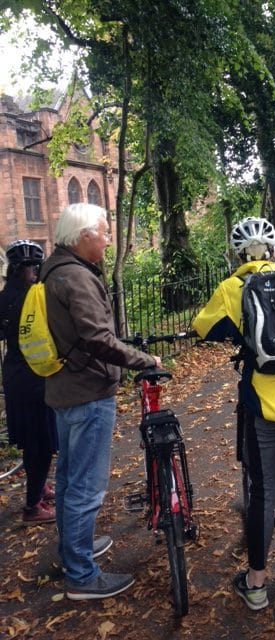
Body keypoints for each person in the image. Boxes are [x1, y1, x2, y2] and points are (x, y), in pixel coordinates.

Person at [193, 217, 275, 611]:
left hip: (265, 401)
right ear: (272, 251)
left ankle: (256, 583)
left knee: (263, 489)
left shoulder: (230, 289)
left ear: (239, 254)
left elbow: (205, 330)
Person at [42, 202, 162, 601]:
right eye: (105, 232)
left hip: (65, 389)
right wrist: (145, 360)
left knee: (68, 479)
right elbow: (98, 339)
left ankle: (72, 551)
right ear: (83, 236)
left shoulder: (55, 268)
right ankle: (81, 575)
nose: (109, 239)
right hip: (87, 393)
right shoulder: (76, 277)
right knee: (86, 487)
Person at [0, 240, 57, 524]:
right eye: (33, 268)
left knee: (30, 440)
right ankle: (32, 507)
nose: (34, 272)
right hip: (36, 376)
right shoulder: (35, 296)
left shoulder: (4, 296)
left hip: (14, 376)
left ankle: (39, 486)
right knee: (42, 443)